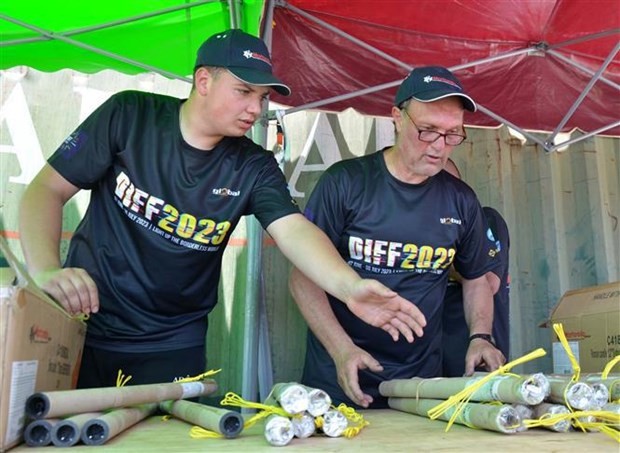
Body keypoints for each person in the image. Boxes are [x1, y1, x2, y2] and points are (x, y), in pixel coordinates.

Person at [18, 29, 424, 388]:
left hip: (175, 343)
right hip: (84, 324)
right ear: (203, 80)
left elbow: (293, 229)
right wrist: (46, 270)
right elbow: (46, 190)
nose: (256, 109)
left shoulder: (253, 164)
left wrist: (349, 287)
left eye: (262, 97)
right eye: (244, 91)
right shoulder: (129, 115)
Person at [289, 66, 505, 409]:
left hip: (417, 383)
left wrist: (480, 337)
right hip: (337, 373)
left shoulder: (461, 201)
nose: (439, 146)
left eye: (452, 134)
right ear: (397, 118)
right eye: (428, 130)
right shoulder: (346, 183)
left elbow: (476, 278)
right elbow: (303, 279)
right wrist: (341, 349)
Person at [442, 158, 511, 376]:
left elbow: (488, 281)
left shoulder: (486, 218)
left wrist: (439, 256)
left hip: (477, 355)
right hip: (427, 357)